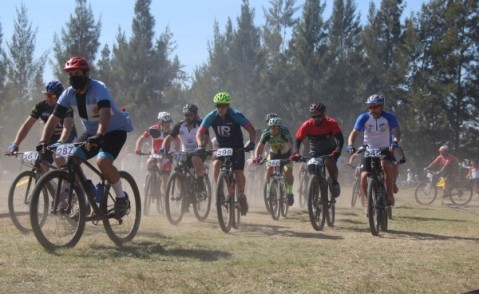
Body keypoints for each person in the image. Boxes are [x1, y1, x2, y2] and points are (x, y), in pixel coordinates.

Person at [37, 56, 133, 218]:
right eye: (71, 74)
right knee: (72, 161)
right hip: (91, 132)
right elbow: (54, 119)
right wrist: (43, 141)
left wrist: (99, 135)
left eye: (77, 73)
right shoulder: (68, 94)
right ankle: (87, 197)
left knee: (102, 161)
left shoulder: (99, 88)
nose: (74, 76)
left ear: (86, 73)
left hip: (114, 131)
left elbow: (104, 114)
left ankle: (121, 197)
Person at [195, 92, 256, 216]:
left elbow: (251, 129)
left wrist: (252, 142)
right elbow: (199, 133)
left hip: (237, 147)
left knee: (238, 172)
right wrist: (200, 145)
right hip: (222, 147)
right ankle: (220, 191)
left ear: (228, 106)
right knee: (216, 164)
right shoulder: (211, 116)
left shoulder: (236, 115)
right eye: (218, 106)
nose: (220, 109)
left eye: (223, 106)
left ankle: (241, 195)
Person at [6, 81, 77, 167]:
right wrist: (15, 143)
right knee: (40, 164)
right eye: (46, 95)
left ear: (59, 96)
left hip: (68, 137)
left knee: (58, 155)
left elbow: (67, 128)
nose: (48, 98)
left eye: (51, 96)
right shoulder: (40, 106)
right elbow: (27, 125)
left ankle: (69, 178)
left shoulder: (66, 107)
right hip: (51, 138)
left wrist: (60, 142)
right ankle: (46, 180)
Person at [346, 94, 401, 206]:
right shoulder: (364, 117)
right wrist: (350, 145)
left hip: (385, 147)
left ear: (381, 107)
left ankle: (389, 194)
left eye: (374, 107)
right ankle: (366, 201)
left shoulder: (389, 117)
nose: (372, 109)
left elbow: (396, 132)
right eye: (370, 107)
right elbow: (354, 133)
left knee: (386, 164)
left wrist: (395, 142)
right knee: (364, 175)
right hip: (369, 148)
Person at [289, 103, 344, 198]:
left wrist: (338, 149)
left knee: (329, 162)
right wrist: (296, 153)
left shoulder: (331, 122)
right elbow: (297, 141)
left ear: (323, 114)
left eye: (319, 116)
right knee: (311, 169)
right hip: (315, 152)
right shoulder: (306, 125)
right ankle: (314, 193)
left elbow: (340, 138)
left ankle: (334, 183)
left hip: (330, 151)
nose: (316, 118)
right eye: (314, 116)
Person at [161, 104, 211, 197]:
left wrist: (202, 146)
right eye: (185, 115)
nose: (187, 117)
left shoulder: (201, 124)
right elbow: (169, 138)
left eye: (190, 115)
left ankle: (200, 183)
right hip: (185, 152)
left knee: (195, 159)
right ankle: (184, 195)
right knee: (179, 171)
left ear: (195, 115)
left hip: (198, 151)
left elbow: (206, 138)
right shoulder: (179, 125)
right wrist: (163, 147)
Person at [252, 117, 295, 205]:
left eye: (276, 127)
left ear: (279, 128)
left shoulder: (284, 134)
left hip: (286, 154)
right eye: (272, 127)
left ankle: (290, 193)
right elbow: (259, 147)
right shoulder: (266, 134)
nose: (274, 129)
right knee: (268, 170)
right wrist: (256, 157)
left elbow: (291, 145)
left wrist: (293, 155)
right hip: (273, 154)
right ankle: (269, 191)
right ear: (269, 127)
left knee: (288, 172)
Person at [135, 111, 177, 195]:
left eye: (169, 122)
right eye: (166, 122)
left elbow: (178, 142)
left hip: (166, 155)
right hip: (155, 153)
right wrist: (137, 148)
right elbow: (141, 138)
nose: (168, 124)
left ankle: (165, 199)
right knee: (149, 162)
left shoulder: (172, 131)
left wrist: (175, 151)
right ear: (160, 122)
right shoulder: (153, 129)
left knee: (165, 180)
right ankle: (148, 181)